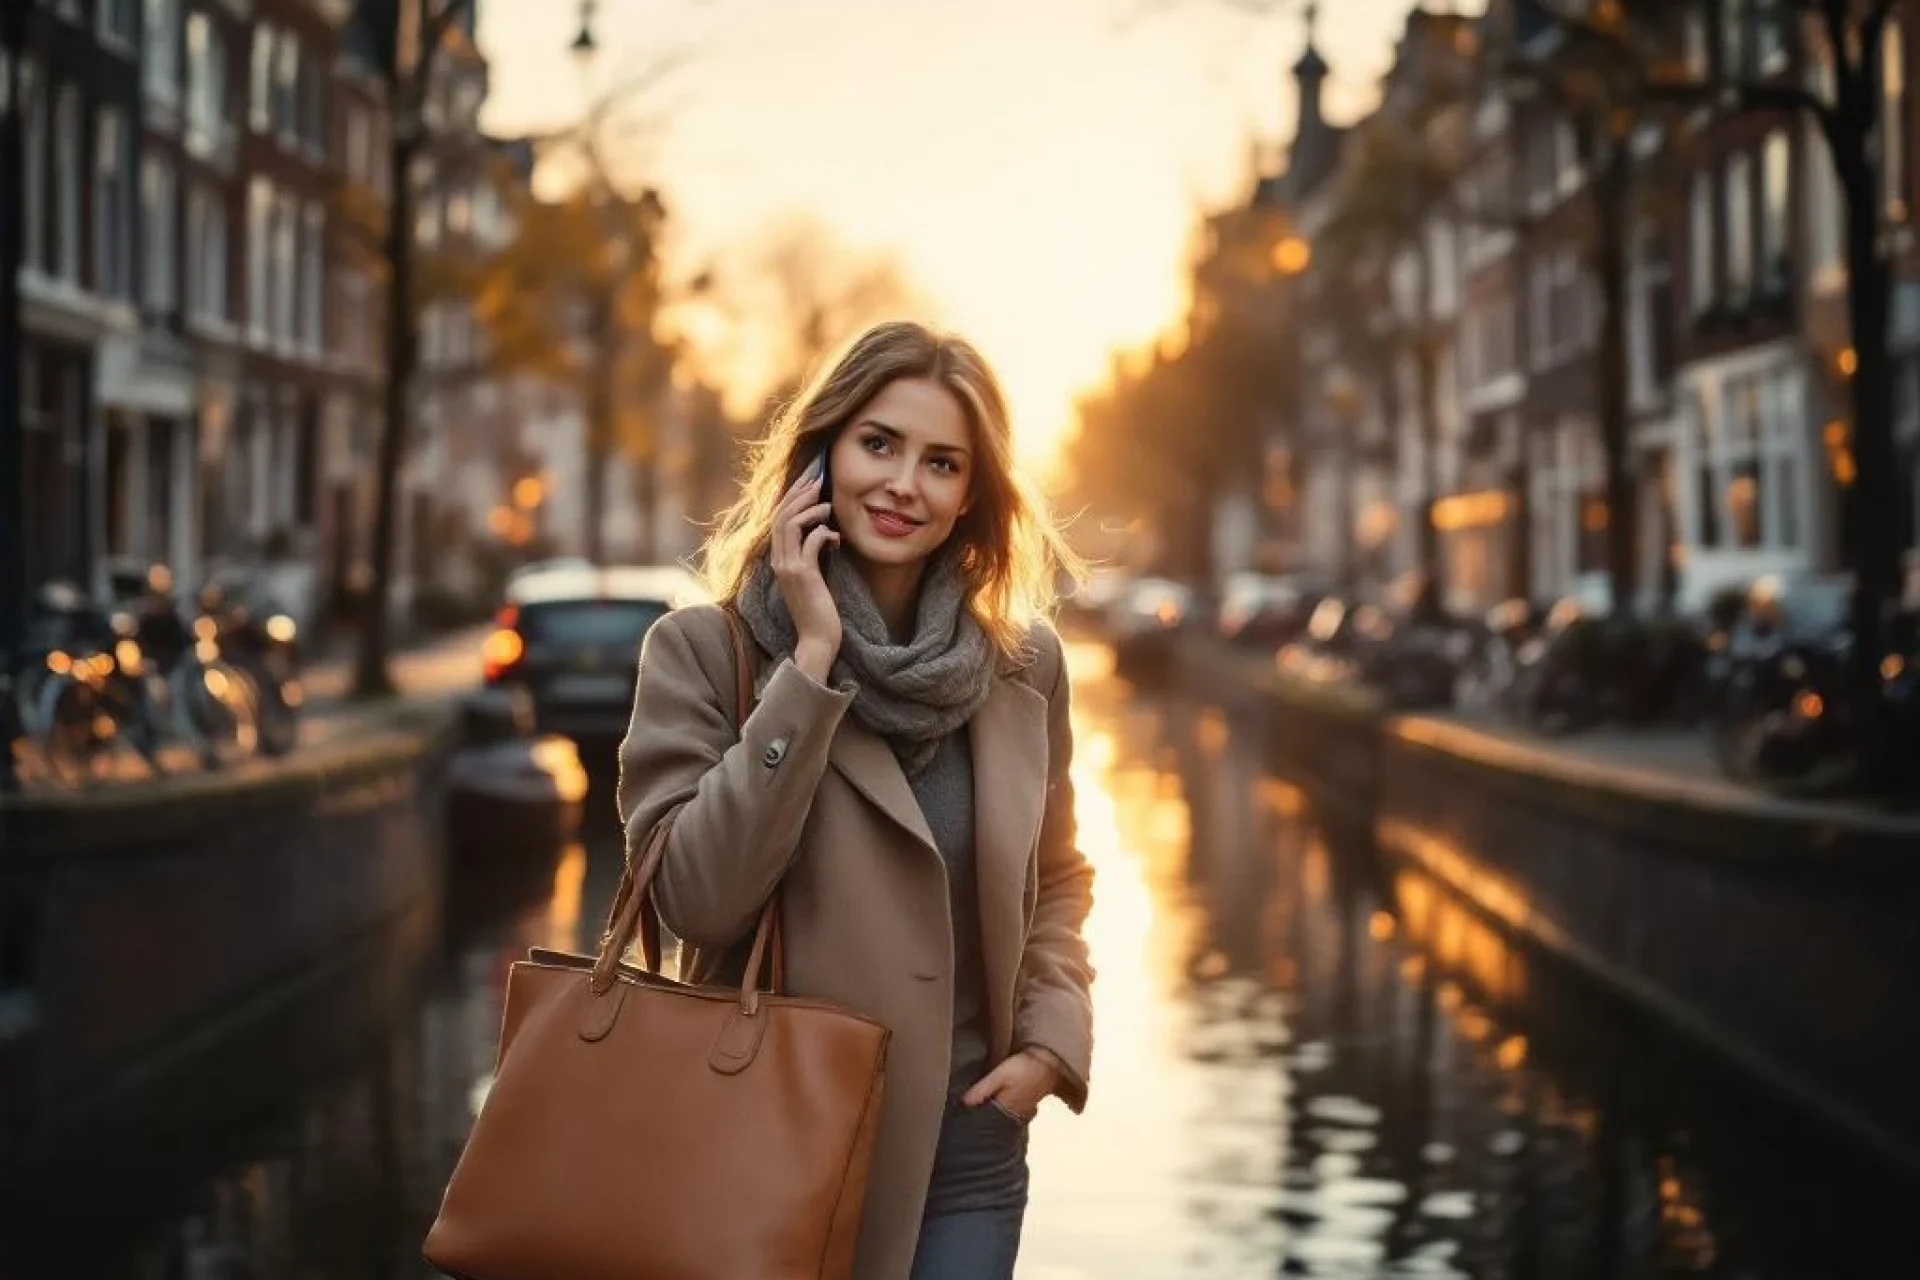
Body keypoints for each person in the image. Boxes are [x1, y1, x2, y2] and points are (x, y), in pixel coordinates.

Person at [617, 319, 1096, 1280]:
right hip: (768, 1145)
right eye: (879, 444)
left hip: (968, 1153)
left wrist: (1051, 1041)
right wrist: (810, 665)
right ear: (822, 454)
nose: (904, 484)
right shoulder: (704, 653)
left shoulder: (1025, 666)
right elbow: (697, 901)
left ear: (972, 495)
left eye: (942, 463)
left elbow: (1059, 879)